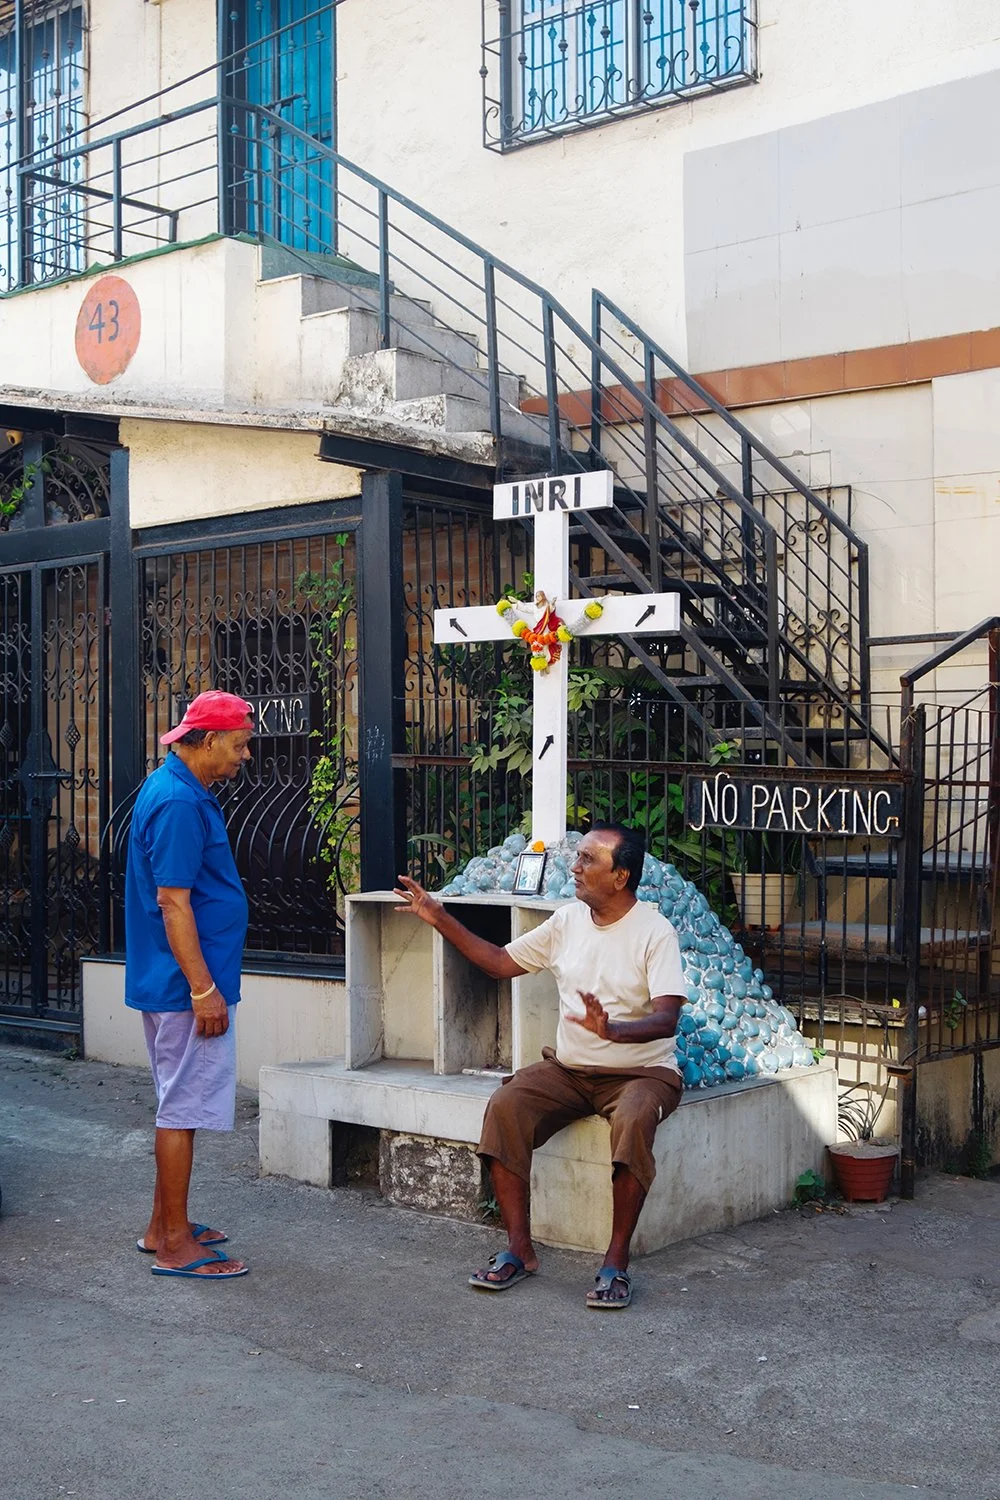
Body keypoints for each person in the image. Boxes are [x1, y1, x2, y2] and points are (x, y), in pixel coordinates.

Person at [394, 823, 685, 1309]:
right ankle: (519, 1250)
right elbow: (498, 962)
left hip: (642, 1073)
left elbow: (667, 1017)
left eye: (589, 860)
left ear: (621, 877)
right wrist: (438, 916)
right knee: (506, 1105)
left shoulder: (655, 931)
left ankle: (615, 1262)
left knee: (634, 1118)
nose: (575, 867)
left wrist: (614, 1031)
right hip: (570, 1070)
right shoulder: (567, 921)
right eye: (578, 858)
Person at [125, 690, 255, 1280]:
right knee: (180, 1109)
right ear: (205, 742)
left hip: (176, 979)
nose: (244, 755)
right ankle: (175, 1242)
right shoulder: (179, 801)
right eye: (238, 744)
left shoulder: (176, 787)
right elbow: (174, 904)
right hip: (186, 986)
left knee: (177, 1104)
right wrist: (203, 990)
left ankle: (163, 1225)